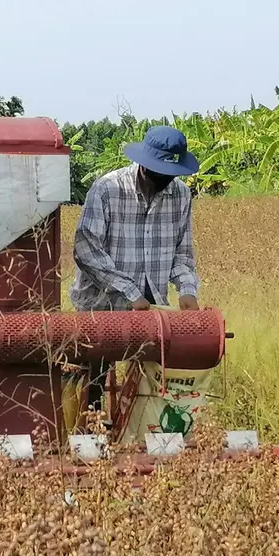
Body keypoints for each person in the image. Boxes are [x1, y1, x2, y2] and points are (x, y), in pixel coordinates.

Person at [68, 125, 201, 419]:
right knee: (93, 383)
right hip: (101, 306)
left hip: (152, 308)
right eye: (160, 173)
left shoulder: (180, 195)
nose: (166, 180)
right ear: (144, 164)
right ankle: (90, 434)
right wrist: (129, 291)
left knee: (148, 386)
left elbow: (182, 252)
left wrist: (187, 289)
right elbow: (86, 249)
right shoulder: (108, 189)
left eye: (171, 174)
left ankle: (137, 434)